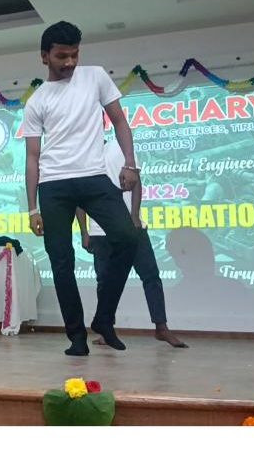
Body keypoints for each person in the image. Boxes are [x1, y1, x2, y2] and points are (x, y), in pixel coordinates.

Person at [22, 21, 140, 356]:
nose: (70, 62)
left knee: (128, 237)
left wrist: (130, 164)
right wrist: (32, 208)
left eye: (75, 54)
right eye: (62, 56)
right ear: (44, 56)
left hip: (94, 177)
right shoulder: (37, 101)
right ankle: (76, 337)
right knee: (62, 261)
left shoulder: (95, 76)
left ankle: (104, 318)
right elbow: (32, 157)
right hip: (53, 185)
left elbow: (120, 121)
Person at [76, 139, 187, 348]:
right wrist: (84, 231)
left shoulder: (120, 146)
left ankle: (161, 327)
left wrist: (134, 215)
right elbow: (80, 200)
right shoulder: (82, 156)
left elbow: (136, 181)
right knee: (104, 281)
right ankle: (106, 329)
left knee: (151, 276)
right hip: (100, 231)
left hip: (131, 227)